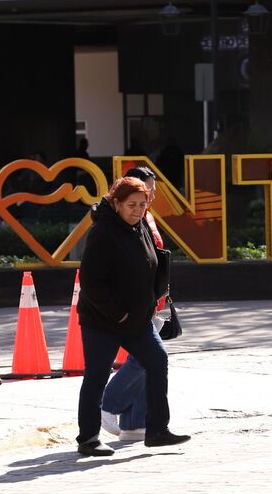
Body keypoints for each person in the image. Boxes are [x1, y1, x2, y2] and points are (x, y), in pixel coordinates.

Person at [75, 176, 189, 456]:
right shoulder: (103, 232)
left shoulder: (140, 226)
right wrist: (119, 313)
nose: (138, 210)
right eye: (131, 205)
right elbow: (91, 283)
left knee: (157, 359)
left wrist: (149, 303)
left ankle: (157, 430)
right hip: (103, 320)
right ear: (116, 203)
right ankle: (88, 438)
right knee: (97, 374)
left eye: (142, 204)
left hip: (137, 319)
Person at [99, 166, 172, 441]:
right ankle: (108, 403)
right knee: (149, 357)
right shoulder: (123, 220)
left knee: (148, 358)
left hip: (150, 299)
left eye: (153, 189)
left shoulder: (145, 215)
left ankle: (133, 423)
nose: (150, 194)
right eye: (146, 189)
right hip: (133, 302)